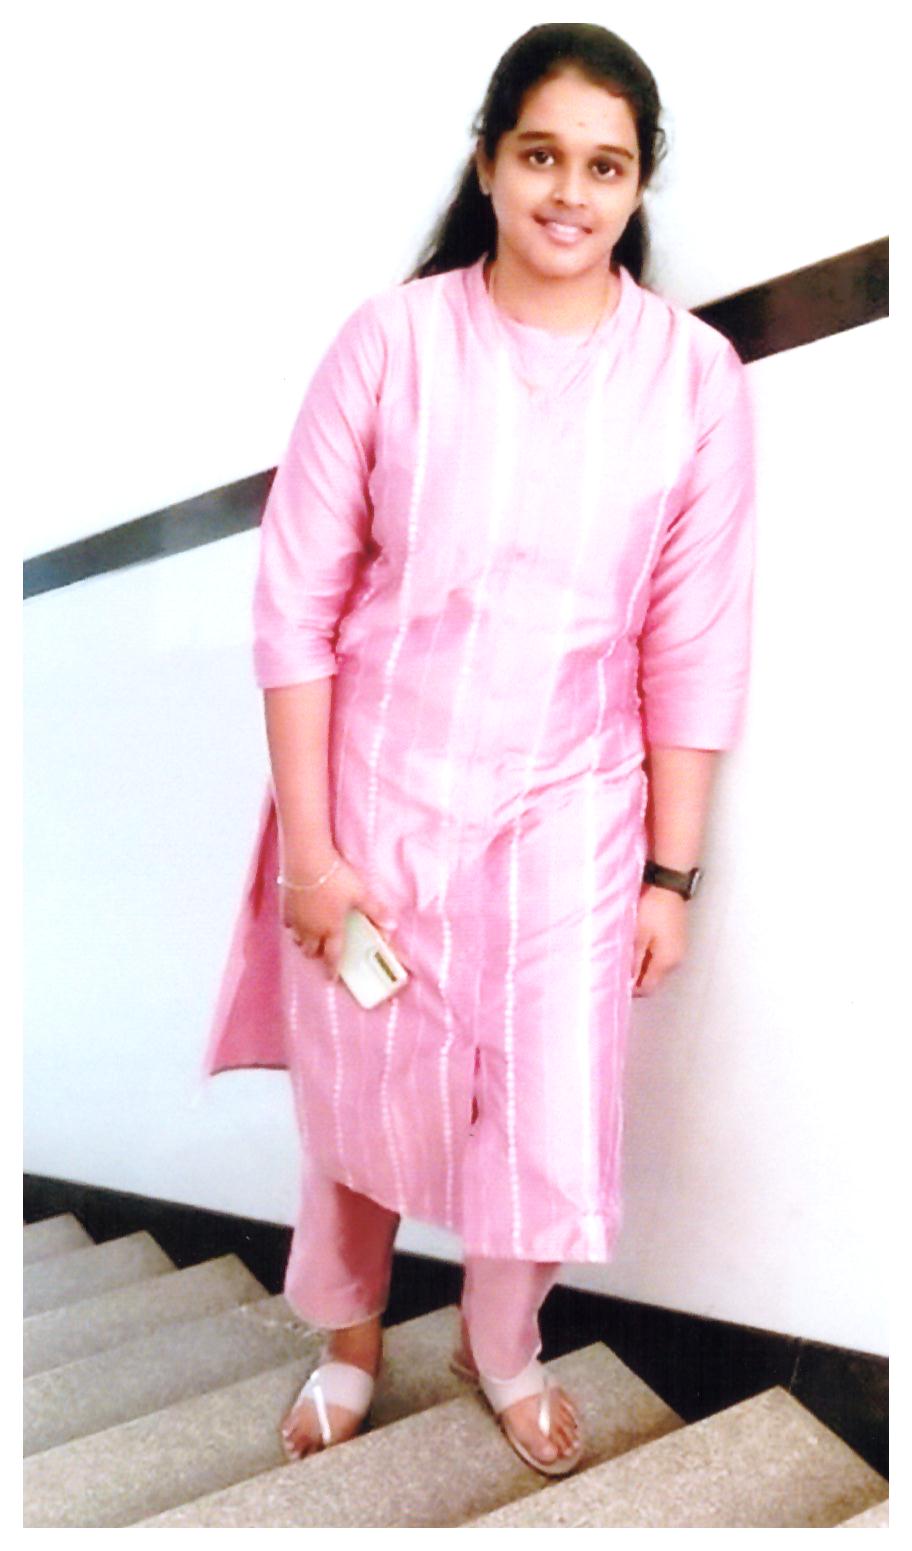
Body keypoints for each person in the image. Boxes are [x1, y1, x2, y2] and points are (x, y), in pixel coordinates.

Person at [204, 21, 754, 1477]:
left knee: (546, 1113)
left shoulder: (694, 379)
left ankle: (500, 1345)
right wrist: (312, 856)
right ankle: (348, 1341)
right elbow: (293, 608)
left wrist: (671, 878)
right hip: (376, 800)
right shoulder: (389, 342)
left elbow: (694, 641)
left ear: (639, 184)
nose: (570, 192)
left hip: (575, 816)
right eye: (542, 156)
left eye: (605, 166)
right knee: (360, 1093)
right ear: (489, 162)